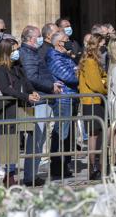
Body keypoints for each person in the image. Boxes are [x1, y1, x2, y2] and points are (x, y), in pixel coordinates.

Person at [0, 39, 40, 188]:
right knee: (6, 142)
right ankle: (2, 173)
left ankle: (11, 174)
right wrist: (26, 96)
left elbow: (26, 82)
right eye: (14, 50)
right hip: (6, 108)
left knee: (15, 142)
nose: (17, 53)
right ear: (6, 52)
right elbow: (6, 89)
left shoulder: (18, 66)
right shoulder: (0, 69)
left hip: (19, 107)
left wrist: (32, 92)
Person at [19, 25, 62, 186]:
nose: (40, 40)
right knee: (35, 141)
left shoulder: (32, 52)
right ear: (31, 39)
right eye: (37, 37)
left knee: (39, 140)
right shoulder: (28, 54)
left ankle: (32, 174)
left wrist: (52, 82)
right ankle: (30, 176)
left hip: (44, 98)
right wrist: (51, 86)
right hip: (39, 100)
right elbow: (32, 77)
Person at [46, 31, 79, 179]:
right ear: (59, 43)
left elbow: (75, 70)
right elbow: (70, 76)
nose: (69, 42)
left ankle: (64, 164)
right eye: (67, 40)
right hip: (63, 99)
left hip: (71, 97)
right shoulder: (54, 56)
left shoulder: (65, 56)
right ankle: (57, 166)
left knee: (67, 134)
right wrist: (79, 73)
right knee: (61, 133)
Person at [78, 33, 108, 179]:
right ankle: (93, 166)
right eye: (102, 44)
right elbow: (95, 83)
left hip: (97, 101)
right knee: (93, 135)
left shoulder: (94, 60)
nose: (103, 47)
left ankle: (98, 165)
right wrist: (106, 88)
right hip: (92, 101)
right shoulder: (90, 61)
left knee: (98, 134)